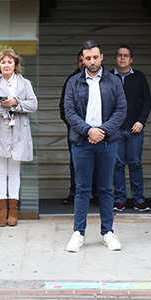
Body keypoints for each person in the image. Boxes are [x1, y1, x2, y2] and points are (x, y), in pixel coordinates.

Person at [63, 40, 127, 252]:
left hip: (107, 141)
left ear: (102, 58)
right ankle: (78, 233)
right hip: (82, 141)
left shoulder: (113, 81)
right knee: (82, 188)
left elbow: (121, 110)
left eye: (95, 57)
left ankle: (107, 232)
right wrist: (88, 130)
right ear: (82, 59)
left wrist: (102, 131)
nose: (92, 61)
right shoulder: (73, 82)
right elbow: (69, 111)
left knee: (106, 188)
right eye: (88, 58)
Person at [0, 48, 38, 227]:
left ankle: (13, 210)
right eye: (3, 62)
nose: (6, 65)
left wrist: (16, 103)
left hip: (19, 130)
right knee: (0, 171)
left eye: (9, 62)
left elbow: (33, 104)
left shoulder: (25, 83)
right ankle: (2, 210)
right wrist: (6, 108)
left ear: (15, 64)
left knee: (15, 171)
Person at [113, 45, 151, 212]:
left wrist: (141, 121)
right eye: (120, 55)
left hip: (135, 129)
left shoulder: (139, 77)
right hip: (115, 130)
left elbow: (148, 101)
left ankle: (138, 200)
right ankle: (119, 200)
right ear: (116, 58)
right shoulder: (109, 77)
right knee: (117, 165)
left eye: (126, 55)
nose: (122, 58)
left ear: (131, 59)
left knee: (135, 164)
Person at [59, 51, 84, 205]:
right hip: (75, 129)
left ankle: (97, 193)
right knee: (75, 161)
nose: (83, 63)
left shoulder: (103, 79)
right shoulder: (71, 80)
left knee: (97, 162)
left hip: (97, 130)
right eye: (80, 60)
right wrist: (73, 125)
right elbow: (63, 106)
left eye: (85, 60)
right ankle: (74, 192)